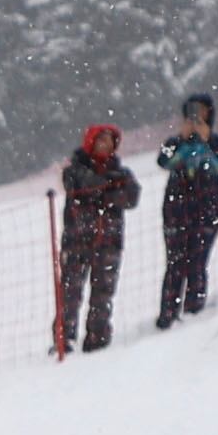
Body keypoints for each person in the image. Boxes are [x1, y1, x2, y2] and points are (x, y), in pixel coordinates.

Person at [53, 125, 136, 354]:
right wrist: (110, 188)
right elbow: (87, 185)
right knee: (70, 292)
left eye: (109, 141)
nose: (105, 145)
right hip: (77, 241)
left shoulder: (121, 171)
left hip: (109, 242)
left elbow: (131, 197)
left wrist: (107, 190)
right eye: (100, 140)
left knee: (103, 292)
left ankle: (98, 336)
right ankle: (63, 339)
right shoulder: (74, 171)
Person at [152, 95, 218, 328]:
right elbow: (162, 160)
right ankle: (168, 312)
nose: (196, 117)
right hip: (177, 211)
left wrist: (206, 142)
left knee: (198, 260)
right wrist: (181, 142)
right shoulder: (174, 142)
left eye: (201, 111)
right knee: (175, 263)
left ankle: (194, 309)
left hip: (208, 209)